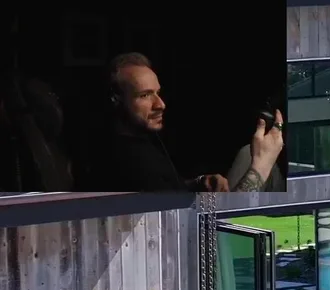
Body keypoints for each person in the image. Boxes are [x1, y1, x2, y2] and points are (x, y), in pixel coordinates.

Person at [91, 52, 283, 192]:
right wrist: (261, 166)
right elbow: (219, 222)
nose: (161, 104)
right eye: (145, 95)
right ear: (115, 100)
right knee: (263, 161)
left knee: (247, 154)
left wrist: (197, 182)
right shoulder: (129, 163)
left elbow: (167, 189)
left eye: (157, 93)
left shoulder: (141, 140)